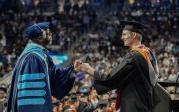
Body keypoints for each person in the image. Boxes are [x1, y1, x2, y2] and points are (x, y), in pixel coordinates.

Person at [78, 21, 161, 112]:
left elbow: (111, 77)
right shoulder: (148, 52)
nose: (122, 37)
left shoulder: (135, 56)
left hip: (134, 105)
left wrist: (88, 69)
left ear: (133, 35)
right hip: (144, 103)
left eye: (124, 34)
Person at [6, 22, 80, 112]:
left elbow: (54, 77)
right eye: (48, 33)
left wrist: (73, 69)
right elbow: (32, 98)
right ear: (40, 37)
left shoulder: (40, 55)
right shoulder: (33, 58)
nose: (51, 34)